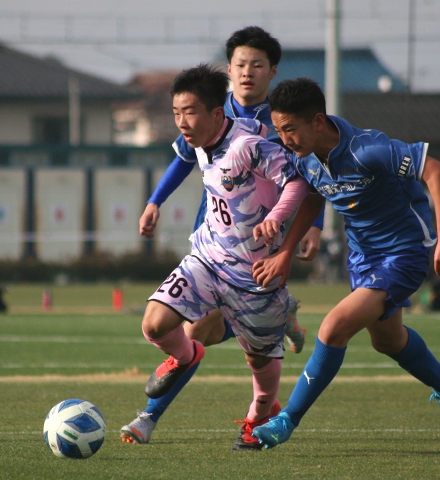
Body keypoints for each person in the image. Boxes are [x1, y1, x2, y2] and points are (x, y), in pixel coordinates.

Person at [125, 26, 318, 446]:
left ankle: (273, 338)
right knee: (173, 329)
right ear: (228, 70)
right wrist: (155, 200)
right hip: (211, 249)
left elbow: (305, 178)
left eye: (257, 65)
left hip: (259, 258)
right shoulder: (205, 113)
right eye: (240, 64)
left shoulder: (275, 123)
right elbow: (182, 156)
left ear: (272, 72)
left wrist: (307, 228)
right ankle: (149, 417)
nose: (248, 72)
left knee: (248, 358)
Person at [249, 78, 440, 449]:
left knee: (333, 328)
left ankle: (286, 420)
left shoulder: (368, 149)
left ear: (318, 121)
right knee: (388, 341)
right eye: (279, 130)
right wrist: (285, 251)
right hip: (362, 257)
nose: (285, 139)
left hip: (405, 253)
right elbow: (315, 197)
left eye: (290, 129)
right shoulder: (307, 157)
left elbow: (437, 172)